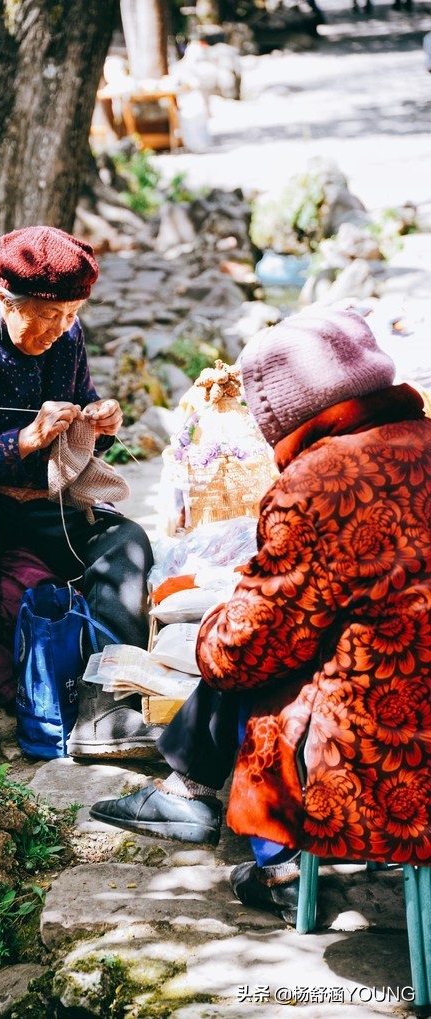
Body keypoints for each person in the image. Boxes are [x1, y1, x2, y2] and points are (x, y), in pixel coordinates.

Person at [92, 307, 431, 922]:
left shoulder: (321, 481)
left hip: (387, 751)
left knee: (258, 662)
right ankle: (187, 789)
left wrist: (206, 633)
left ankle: (274, 865)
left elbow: (243, 649)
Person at [0, 225, 158, 757]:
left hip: (42, 500)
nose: (58, 330)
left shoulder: (66, 333)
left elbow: (78, 422)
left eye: (70, 317)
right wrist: (25, 439)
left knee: (126, 542)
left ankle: (104, 704)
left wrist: (98, 424)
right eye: (45, 317)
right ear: (2, 298)